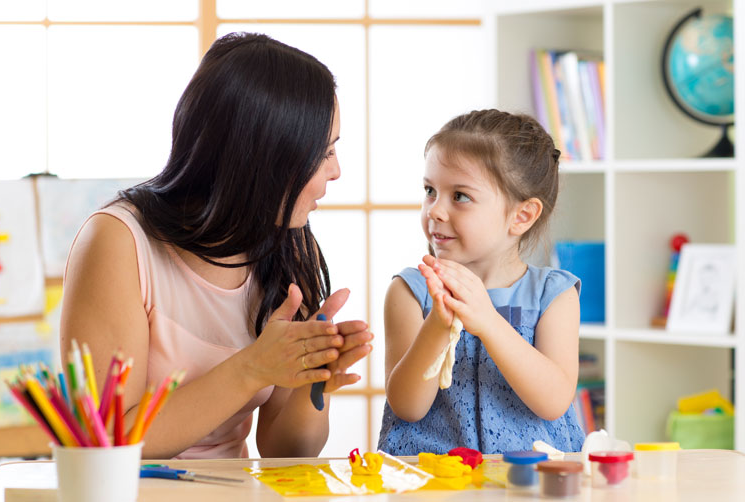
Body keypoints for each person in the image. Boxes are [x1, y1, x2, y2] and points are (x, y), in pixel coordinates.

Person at [60, 32, 373, 459]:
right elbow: (105, 447)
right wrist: (252, 368)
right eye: (323, 153)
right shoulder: (118, 242)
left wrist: (311, 379)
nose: (336, 172)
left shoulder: (287, 246)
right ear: (265, 158)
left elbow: (285, 450)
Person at [377, 109, 584, 455]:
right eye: (430, 190)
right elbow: (407, 406)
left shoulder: (554, 296)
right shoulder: (411, 292)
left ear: (521, 216)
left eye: (460, 196)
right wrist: (438, 325)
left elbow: (553, 401)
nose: (435, 211)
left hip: (530, 481)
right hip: (431, 480)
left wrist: (488, 321)